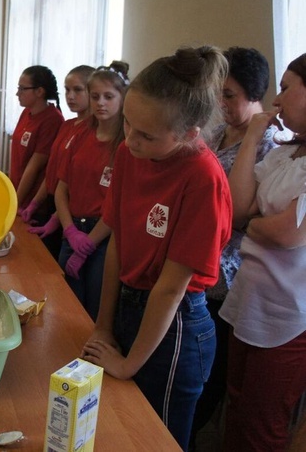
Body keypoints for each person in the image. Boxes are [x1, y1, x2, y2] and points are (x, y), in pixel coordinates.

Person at [82, 46, 233, 451]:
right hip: (131, 310)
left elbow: (171, 287)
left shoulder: (203, 178)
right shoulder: (131, 154)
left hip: (175, 329)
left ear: (189, 133)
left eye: (146, 134)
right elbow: (118, 244)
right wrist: (103, 323)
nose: (130, 139)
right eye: (127, 124)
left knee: (151, 440)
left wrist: (130, 364)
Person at [191, 46, 278, 448]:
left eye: (230, 95)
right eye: (218, 94)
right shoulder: (214, 132)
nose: (221, 103)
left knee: (211, 373)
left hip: (229, 273)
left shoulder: (269, 146)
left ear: (255, 94)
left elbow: (241, 213)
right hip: (196, 254)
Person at [219, 52, 306, 452]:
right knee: (236, 406)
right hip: (251, 299)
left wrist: (248, 224)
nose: (277, 101)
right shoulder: (284, 152)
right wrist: (253, 137)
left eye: (287, 89)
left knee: (263, 423)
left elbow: (286, 234)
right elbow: (237, 209)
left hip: (287, 316)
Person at [54, 63, 129, 320]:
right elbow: (62, 189)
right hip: (73, 230)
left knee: (95, 311)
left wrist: (89, 243)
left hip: (103, 238)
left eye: (109, 97)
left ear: (122, 98)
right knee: (66, 305)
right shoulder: (81, 134)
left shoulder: (127, 145)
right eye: (95, 96)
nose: (100, 103)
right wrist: (70, 231)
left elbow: (119, 203)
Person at [23, 65, 94, 259]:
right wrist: (34, 203)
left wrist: (58, 219)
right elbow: (54, 172)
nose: (70, 96)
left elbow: (77, 184)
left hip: (70, 213)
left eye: (77, 90)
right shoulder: (67, 125)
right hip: (52, 204)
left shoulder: (92, 132)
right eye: (67, 90)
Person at [9, 65, 64, 210]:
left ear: (39, 91)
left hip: (30, 200)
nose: (17, 93)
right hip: (17, 191)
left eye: (22, 89)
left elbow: (34, 167)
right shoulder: (27, 112)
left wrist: (16, 203)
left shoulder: (53, 120)